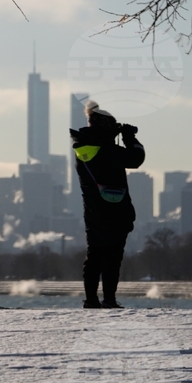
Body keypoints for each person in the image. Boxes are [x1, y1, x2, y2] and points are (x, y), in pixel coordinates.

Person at [69, 101, 145, 309]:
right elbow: (137, 158)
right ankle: (109, 299)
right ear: (105, 127)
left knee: (94, 255)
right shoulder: (107, 151)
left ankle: (91, 299)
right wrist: (130, 138)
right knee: (113, 257)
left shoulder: (85, 148)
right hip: (116, 210)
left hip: (94, 210)